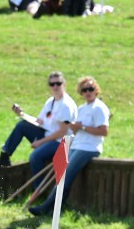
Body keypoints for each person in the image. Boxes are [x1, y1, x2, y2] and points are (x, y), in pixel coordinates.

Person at [28, 77, 108, 217]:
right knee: (61, 173)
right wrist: (75, 128)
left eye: (90, 89)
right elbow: (77, 131)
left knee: (65, 176)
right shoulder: (82, 108)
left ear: (96, 90)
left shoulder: (100, 107)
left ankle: (46, 207)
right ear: (81, 93)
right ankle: (55, 208)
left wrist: (82, 126)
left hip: (89, 148)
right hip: (77, 144)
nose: (88, 92)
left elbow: (104, 131)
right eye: (84, 90)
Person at [0, 71, 76, 172]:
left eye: (58, 84)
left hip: (61, 143)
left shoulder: (65, 105)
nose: (55, 87)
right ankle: (4, 157)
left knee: (34, 157)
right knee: (22, 126)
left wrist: (40, 142)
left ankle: (37, 186)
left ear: (64, 85)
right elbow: (39, 122)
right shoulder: (51, 101)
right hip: (48, 135)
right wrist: (21, 114)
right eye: (52, 84)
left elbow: (62, 132)